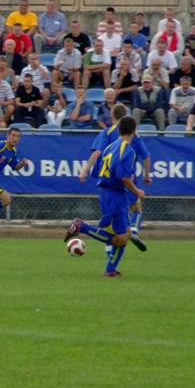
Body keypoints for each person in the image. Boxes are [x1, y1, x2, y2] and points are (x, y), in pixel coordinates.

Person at [67, 116, 147, 277]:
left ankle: (110, 270)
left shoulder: (110, 147)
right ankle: (82, 227)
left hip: (108, 193)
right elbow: (122, 176)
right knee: (120, 238)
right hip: (114, 196)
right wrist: (137, 191)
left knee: (125, 232)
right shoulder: (128, 151)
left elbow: (96, 172)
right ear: (134, 131)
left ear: (118, 130)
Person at [78, 105, 151, 251]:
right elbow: (146, 156)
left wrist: (85, 171)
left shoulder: (108, 132)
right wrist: (146, 176)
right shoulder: (135, 136)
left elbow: (98, 153)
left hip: (110, 184)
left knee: (115, 225)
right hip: (126, 180)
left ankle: (110, 255)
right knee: (135, 210)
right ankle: (133, 232)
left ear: (112, 117)